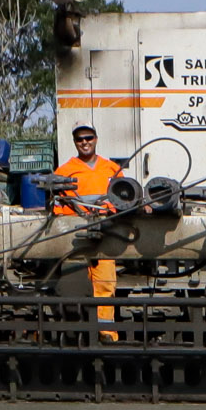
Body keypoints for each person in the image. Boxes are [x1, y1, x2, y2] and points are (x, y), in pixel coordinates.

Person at [46, 124, 123, 339]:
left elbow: (122, 199)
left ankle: (105, 334)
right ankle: (78, 335)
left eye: (88, 138)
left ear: (96, 139)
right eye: (80, 139)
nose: (85, 142)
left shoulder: (112, 169)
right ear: (75, 143)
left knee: (105, 285)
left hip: (105, 237)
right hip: (76, 239)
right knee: (74, 287)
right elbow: (57, 209)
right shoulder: (64, 171)